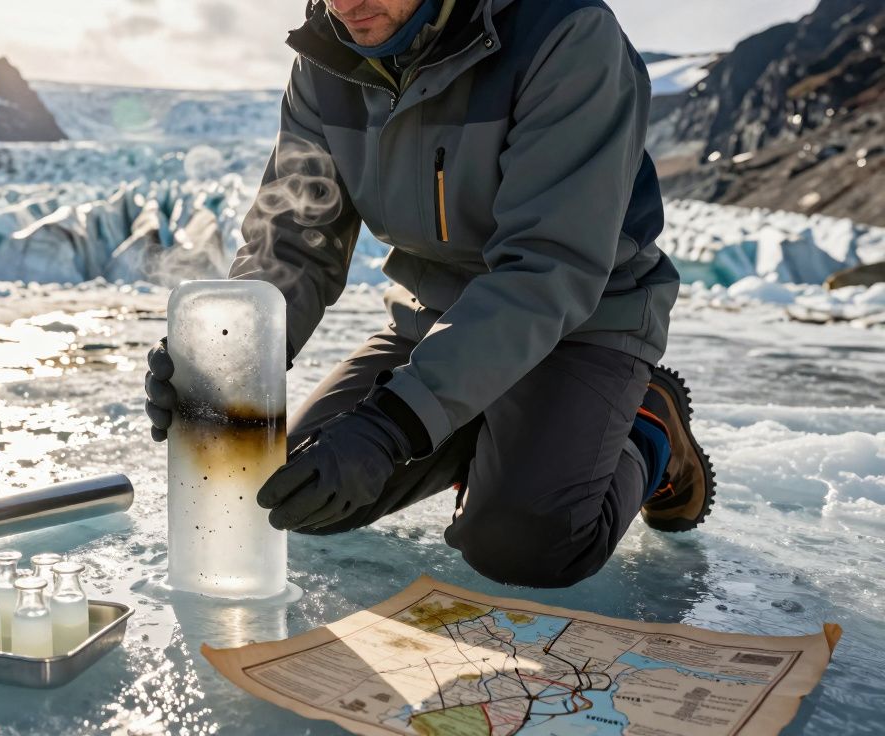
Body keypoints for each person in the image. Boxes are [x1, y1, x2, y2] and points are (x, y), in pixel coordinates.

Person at [145, 0, 716, 588]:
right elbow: (295, 241)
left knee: (520, 544)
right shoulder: (327, 55)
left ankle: (650, 428)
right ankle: (485, 429)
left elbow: (550, 267)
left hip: (583, 321)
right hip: (439, 321)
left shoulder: (564, 34)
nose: (345, 5)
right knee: (294, 489)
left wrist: (391, 425)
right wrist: (223, 356)